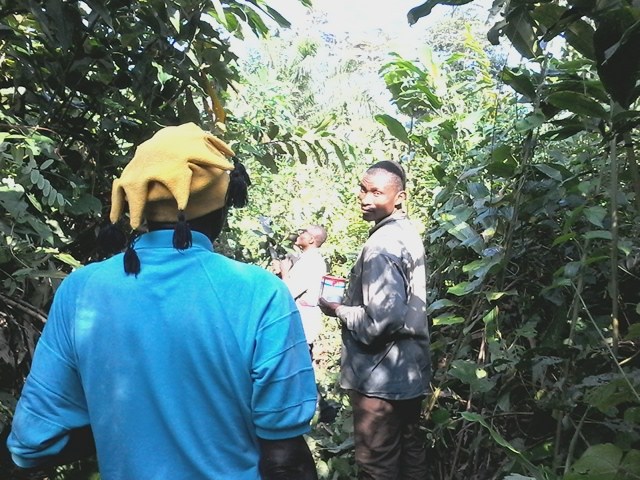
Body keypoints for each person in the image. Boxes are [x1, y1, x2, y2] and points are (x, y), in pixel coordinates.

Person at [4, 123, 319, 480]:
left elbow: (32, 444)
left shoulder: (81, 290)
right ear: (221, 205)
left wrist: (126, 425)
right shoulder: (260, 294)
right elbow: (284, 458)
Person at [319, 160, 430, 480]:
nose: (365, 198)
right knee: (410, 456)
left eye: (376, 192)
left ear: (400, 197)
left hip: (380, 379)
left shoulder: (381, 245)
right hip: (409, 374)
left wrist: (339, 310)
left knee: (377, 465)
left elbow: (381, 321)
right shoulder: (406, 233)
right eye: (363, 189)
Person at [272, 225, 328, 355]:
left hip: (301, 328)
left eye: (304, 232)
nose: (300, 234)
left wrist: (285, 271)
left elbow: (288, 292)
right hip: (298, 328)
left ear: (311, 240)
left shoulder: (311, 261)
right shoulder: (306, 259)